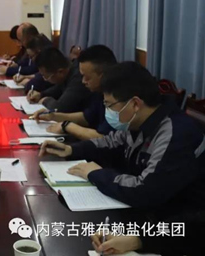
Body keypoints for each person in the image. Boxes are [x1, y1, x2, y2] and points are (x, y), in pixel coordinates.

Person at [40, 62, 205, 212]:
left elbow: (145, 190)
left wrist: (96, 174)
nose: (108, 111)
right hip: (149, 209)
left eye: (109, 105)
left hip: (179, 221)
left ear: (135, 104)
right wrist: (71, 149)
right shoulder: (139, 121)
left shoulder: (175, 133)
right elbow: (111, 142)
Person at [31, 45, 117, 140]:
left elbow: (105, 138)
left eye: (87, 77)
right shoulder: (99, 92)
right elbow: (86, 117)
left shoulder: (118, 97)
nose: (83, 81)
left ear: (103, 76)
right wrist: (53, 116)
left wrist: (67, 126)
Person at [26, 47, 92, 112]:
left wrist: (45, 100)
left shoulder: (78, 79)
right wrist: (41, 94)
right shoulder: (68, 70)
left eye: (46, 76)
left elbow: (59, 108)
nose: (45, 79)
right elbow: (59, 88)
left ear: (60, 72)